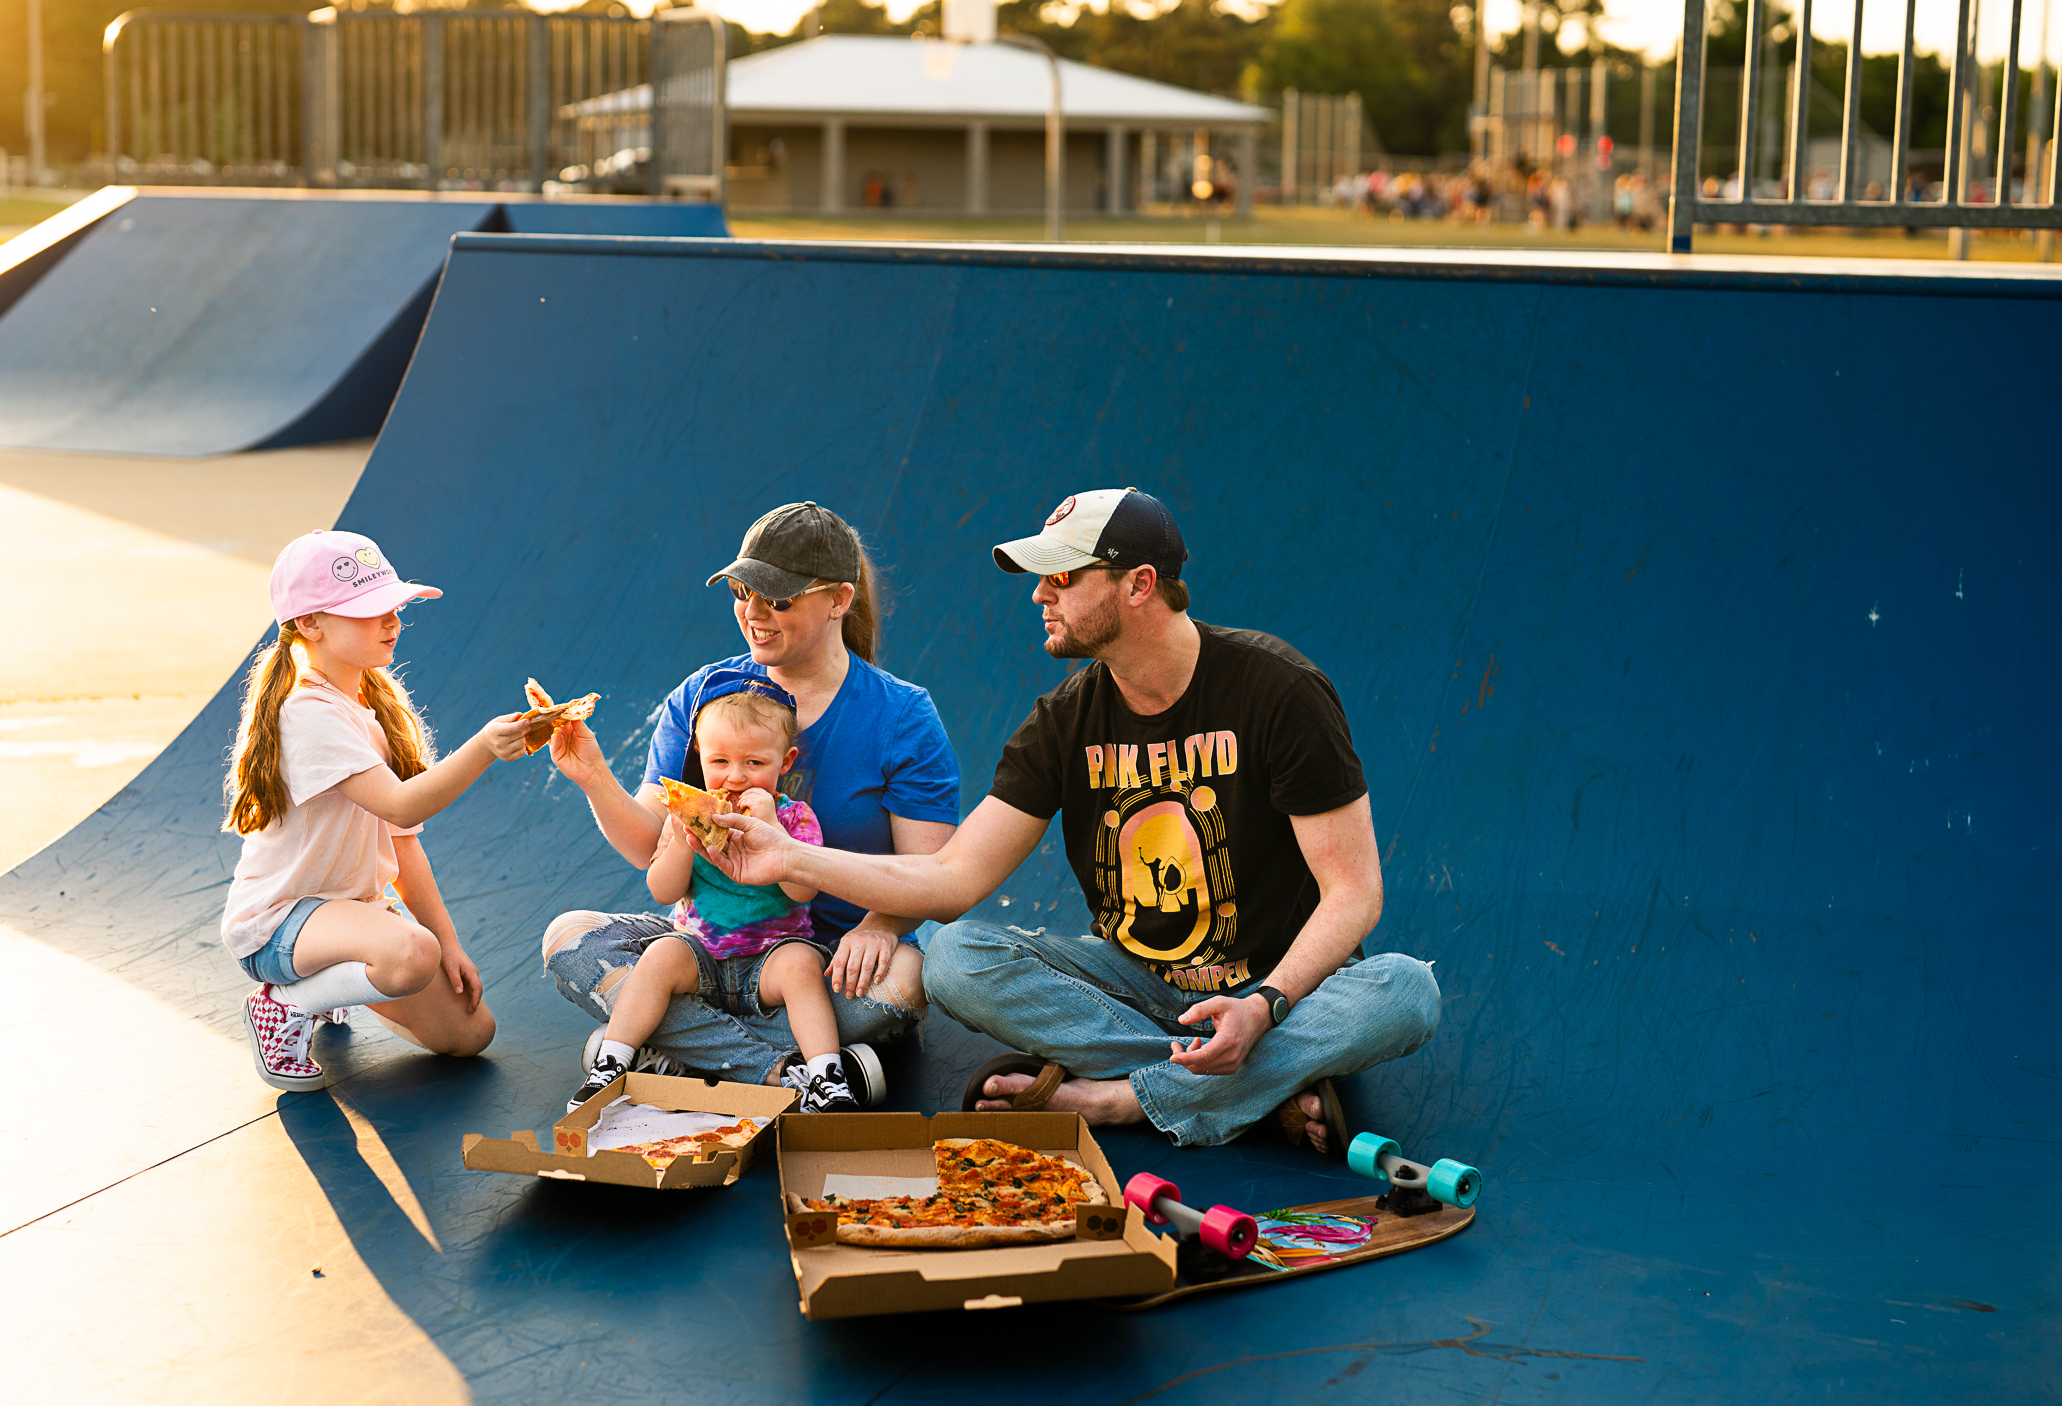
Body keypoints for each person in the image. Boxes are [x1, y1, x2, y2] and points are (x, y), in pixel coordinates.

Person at [702, 488, 1441, 1152]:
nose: (1038, 597)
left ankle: (1123, 1100)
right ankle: (1250, 1086)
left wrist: (1270, 1004)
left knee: (1406, 991)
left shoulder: (1279, 691)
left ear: (1139, 585)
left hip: (1274, 985)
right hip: (1129, 982)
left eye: (1061, 577)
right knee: (958, 958)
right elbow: (954, 879)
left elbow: (1355, 893)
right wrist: (790, 859)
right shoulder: (1066, 718)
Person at [542, 501, 962, 1095]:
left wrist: (881, 924)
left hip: (833, 958)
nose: (753, 612)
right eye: (742, 591)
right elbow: (648, 849)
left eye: (779, 599)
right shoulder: (703, 698)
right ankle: (794, 1070)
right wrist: (593, 776)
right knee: (568, 939)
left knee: (908, 979)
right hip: (712, 949)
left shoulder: (902, 715)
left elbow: (930, 869)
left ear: (840, 599)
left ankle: (669, 1047)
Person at [220, 529, 534, 1091]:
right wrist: (485, 747)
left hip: (351, 917)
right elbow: (400, 801)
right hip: (279, 925)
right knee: (411, 953)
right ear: (311, 624)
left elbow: (403, 837)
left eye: (393, 606)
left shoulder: (372, 707)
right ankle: (284, 1007)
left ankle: (335, 983)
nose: (391, 620)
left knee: (470, 1035)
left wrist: (453, 943)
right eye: (368, 611)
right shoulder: (308, 713)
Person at [572, 679, 862, 1112]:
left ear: (786, 762)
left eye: (754, 762)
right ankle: (612, 1061)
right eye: (720, 761)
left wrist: (776, 834)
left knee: (803, 965)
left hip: (770, 960)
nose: (736, 775)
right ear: (700, 761)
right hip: (701, 957)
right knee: (660, 956)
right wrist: (680, 839)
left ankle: (826, 1075)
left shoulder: (795, 816)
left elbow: (804, 892)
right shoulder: (686, 814)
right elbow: (662, 889)